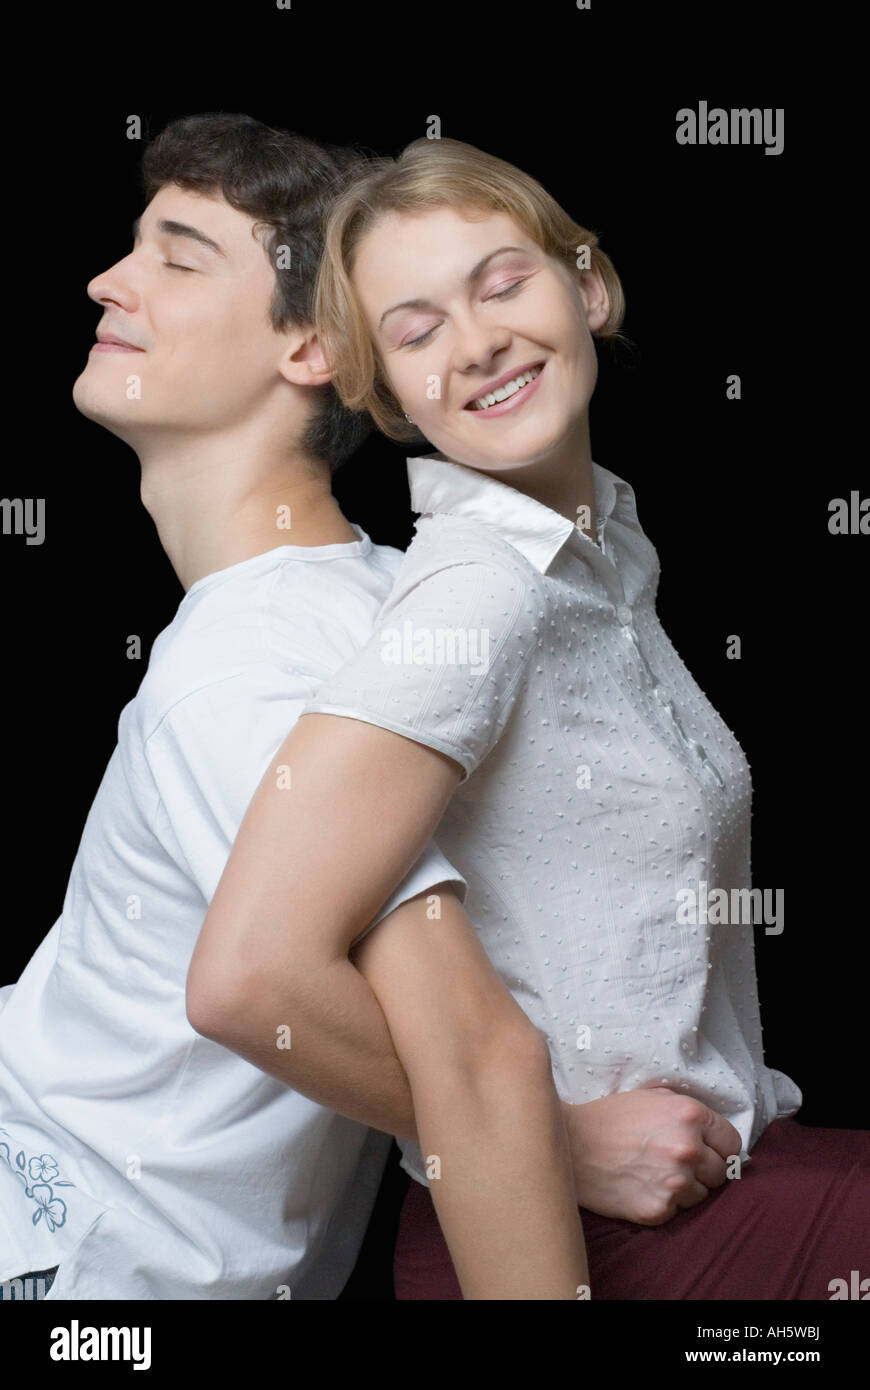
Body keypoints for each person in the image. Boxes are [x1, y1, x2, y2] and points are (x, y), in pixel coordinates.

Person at [193, 136, 870, 1301]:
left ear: (588, 286)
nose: (478, 341)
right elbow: (249, 976)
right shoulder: (480, 592)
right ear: (382, 396)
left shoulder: (604, 558)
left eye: (502, 282)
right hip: (572, 1246)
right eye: (414, 332)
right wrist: (554, 1139)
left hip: (722, 1186)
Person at [0, 112, 586, 1300]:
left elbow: (470, 1052)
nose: (110, 279)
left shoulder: (254, 662)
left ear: (314, 345)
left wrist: (567, 1149)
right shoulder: (369, 593)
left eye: (178, 255)